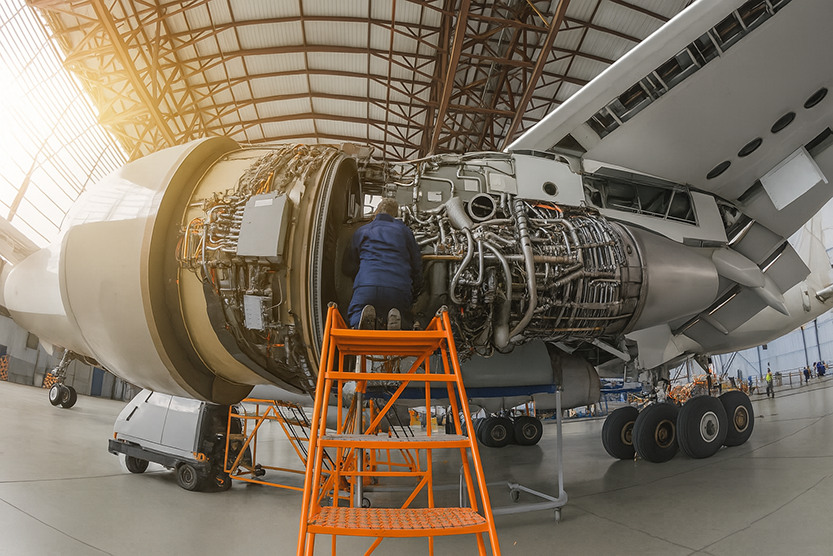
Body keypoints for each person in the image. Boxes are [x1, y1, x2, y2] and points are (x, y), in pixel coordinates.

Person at [343, 198, 423, 330]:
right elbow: (416, 264)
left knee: (357, 313)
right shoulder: (404, 231)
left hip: (367, 285)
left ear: (376, 212)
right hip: (398, 287)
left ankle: (360, 323)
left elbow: (347, 267)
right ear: (395, 215)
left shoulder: (362, 231)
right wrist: (416, 290)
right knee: (403, 317)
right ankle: (398, 322)